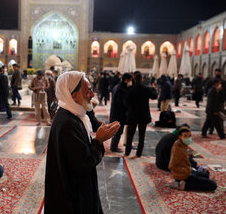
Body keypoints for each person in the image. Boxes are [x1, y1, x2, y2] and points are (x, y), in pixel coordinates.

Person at [44, 71, 120, 214]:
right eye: (88, 90)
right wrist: (98, 140)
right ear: (73, 95)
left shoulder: (73, 115)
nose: (92, 95)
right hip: (73, 195)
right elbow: (84, 164)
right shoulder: (68, 123)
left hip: (72, 187)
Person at [168, 127, 217, 192]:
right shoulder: (177, 149)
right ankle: (184, 185)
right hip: (184, 175)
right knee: (213, 185)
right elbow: (171, 166)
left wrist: (195, 154)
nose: (188, 138)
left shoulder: (182, 144)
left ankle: (185, 182)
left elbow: (186, 153)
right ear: (180, 136)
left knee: (206, 174)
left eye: (189, 136)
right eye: (185, 136)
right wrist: (186, 171)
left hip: (188, 170)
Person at [125, 71, 157, 157]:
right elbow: (155, 96)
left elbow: (126, 101)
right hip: (143, 115)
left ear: (134, 79)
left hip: (132, 115)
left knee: (130, 134)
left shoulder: (130, 89)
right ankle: (139, 153)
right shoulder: (146, 89)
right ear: (142, 79)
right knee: (141, 135)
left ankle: (127, 152)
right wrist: (153, 89)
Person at [109, 73, 133, 152]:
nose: (130, 82)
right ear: (126, 80)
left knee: (117, 131)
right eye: (130, 80)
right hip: (119, 114)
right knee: (118, 131)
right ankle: (113, 147)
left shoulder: (117, 86)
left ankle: (113, 145)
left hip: (115, 112)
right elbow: (122, 103)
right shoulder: (121, 88)